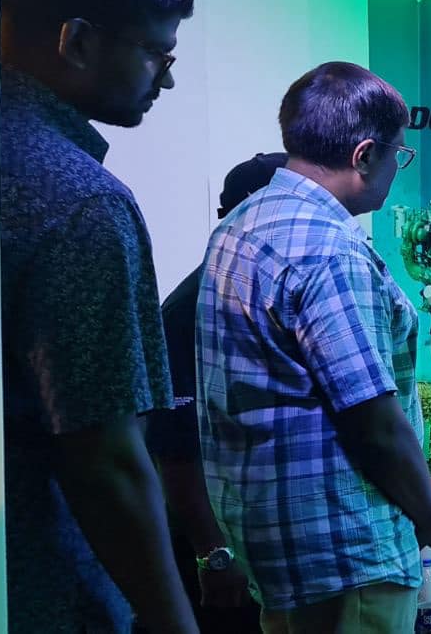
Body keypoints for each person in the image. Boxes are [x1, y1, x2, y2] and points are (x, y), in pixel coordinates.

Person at [0, 0, 199, 634]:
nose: (166, 80)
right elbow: (104, 455)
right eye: (155, 55)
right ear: (78, 41)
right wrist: (172, 618)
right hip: (49, 583)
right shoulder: (83, 202)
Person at [197, 61, 431, 633]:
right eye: (399, 154)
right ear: (365, 155)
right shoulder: (329, 249)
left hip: (275, 540)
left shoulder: (241, 223)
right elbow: (372, 418)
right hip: (345, 552)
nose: (398, 169)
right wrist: (427, 508)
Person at [147, 152, 290, 632]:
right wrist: (213, 553)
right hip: (220, 552)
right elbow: (176, 449)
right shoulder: (192, 309)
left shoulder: (262, 296)